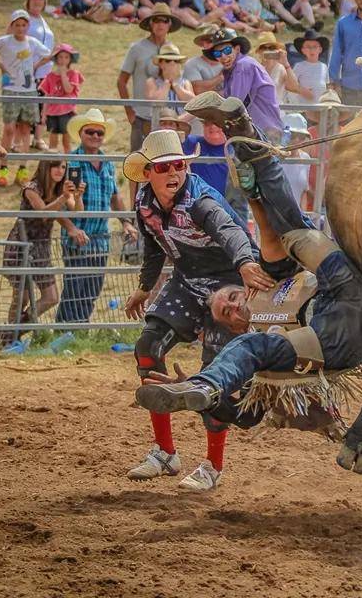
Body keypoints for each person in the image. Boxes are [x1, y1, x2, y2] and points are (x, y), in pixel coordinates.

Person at [134, 92, 362, 467]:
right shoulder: (268, 334)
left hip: (330, 301)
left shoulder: (264, 304)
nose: (229, 305)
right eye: (164, 167)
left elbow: (246, 233)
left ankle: (204, 396)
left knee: (289, 226)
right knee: (289, 225)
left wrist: (249, 204)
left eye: (178, 165)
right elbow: (249, 413)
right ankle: (197, 401)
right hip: (333, 310)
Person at [120, 128, 272, 489]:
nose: (173, 173)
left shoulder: (201, 202)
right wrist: (144, 287)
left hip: (228, 287)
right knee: (147, 348)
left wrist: (247, 262)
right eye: (163, 167)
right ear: (147, 174)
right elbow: (156, 246)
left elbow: (230, 230)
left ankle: (212, 466)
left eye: (178, 165)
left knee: (211, 375)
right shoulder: (144, 205)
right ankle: (165, 451)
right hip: (187, 280)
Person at [56, 110, 138, 323]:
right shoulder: (71, 162)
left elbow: (115, 197)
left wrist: (126, 222)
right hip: (77, 236)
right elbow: (62, 200)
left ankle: (79, 330)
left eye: (99, 133)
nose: (95, 136)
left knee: (92, 289)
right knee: (74, 289)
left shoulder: (108, 163)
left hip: (100, 237)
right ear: (81, 134)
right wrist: (70, 228)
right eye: (90, 132)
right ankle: (65, 331)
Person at [0, 160, 83, 345]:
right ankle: (9, 339)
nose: (60, 170)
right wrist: (63, 199)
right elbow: (43, 212)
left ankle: (9, 332)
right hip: (21, 246)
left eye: (63, 167)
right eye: (56, 166)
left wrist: (77, 196)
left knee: (51, 297)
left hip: (41, 248)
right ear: (46, 167)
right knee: (22, 297)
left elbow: (76, 211)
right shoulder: (31, 188)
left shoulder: (61, 190)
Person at [0, 9, 52, 187]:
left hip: (29, 91)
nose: (20, 28)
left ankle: (22, 168)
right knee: (9, 129)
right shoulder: (5, 42)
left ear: (28, 26)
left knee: (26, 129)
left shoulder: (33, 42)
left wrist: (35, 65)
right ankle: (3, 167)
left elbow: (49, 54)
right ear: (12, 26)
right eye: (17, 25)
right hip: (11, 89)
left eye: (23, 25)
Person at [119, 2, 181, 153]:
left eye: (164, 20)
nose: (160, 24)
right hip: (141, 116)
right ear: (151, 23)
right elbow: (121, 82)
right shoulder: (136, 48)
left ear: (169, 24)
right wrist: (130, 112)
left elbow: (178, 81)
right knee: (137, 163)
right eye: (156, 20)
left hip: (167, 119)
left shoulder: (173, 50)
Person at [206, 27, 283, 140]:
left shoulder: (242, 66)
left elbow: (234, 104)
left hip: (264, 132)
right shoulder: (232, 70)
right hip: (260, 131)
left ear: (237, 49)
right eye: (218, 53)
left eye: (227, 50)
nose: (223, 56)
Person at [38, 43, 83, 154]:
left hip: (67, 112)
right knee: (52, 141)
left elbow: (68, 90)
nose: (63, 60)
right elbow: (47, 96)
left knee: (66, 142)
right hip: (52, 113)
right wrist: (44, 114)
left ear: (70, 59)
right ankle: (52, 164)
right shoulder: (50, 76)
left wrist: (63, 74)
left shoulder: (73, 74)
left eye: (66, 57)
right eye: (60, 57)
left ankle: (68, 164)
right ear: (56, 59)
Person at [144, 43, 194, 116]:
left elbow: (193, 103)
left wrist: (176, 86)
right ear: (161, 64)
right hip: (160, 124)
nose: (172, 63)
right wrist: (167, 84)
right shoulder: (152, 82)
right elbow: (155, 102)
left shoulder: (185, 82)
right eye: (168, 60)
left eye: (176, 61)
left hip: (182, 123)